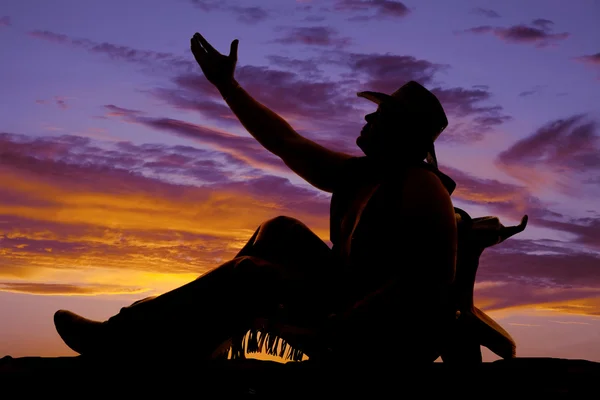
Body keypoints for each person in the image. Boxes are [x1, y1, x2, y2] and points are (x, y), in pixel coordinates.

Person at [53, 33, 458, 364]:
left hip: (382, 332)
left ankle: (125, 337)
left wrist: (338, 327)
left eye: (381, 115)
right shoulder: (362, 174)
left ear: (401, 132)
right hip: (346, 303)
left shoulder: (423, 189)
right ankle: (190, 336)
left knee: (249, 273)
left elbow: (424, 285)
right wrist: (227, 85)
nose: (368, 118)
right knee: (280, 230)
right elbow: (284, 141)